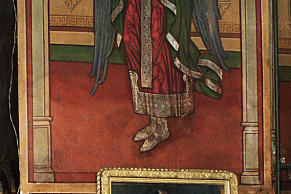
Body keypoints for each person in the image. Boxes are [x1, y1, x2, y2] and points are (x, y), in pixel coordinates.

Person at [94, 0, 228, 151]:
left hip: (162, 5)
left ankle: (162, 127)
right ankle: (153, 122)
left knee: (159, 54)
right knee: (133, 42)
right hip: (138, 3)